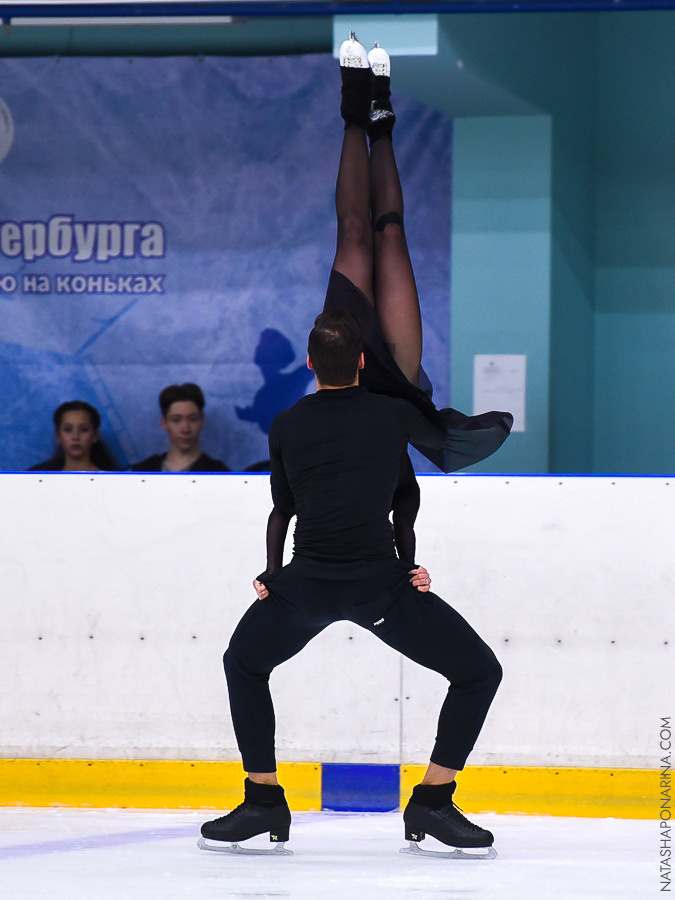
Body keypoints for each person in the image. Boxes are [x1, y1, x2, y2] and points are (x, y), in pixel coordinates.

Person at [199, 36, 505, 858]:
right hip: (395, 412)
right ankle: (373, 115)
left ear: (317, 361)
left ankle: (366, 113)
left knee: (366, 236)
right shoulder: (378, 411)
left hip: (321, 563)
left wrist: (273, 572)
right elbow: (405, 491)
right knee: (387, 235)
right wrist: (410, 548)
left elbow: (287, 507)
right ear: (354, 359)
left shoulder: (295, 420)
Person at [129, 383, 230, 473]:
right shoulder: (144, 471)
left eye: (193, 419)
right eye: (176, 420)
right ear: (164, 422)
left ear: (202, 420)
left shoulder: (218, 473)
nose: (185, 429)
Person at [28, 400, 118, 472]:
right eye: (68, 430)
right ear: (58, 435)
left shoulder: (113, 481)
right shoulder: (42, 480)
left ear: (95, 435)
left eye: (84, 430)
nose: (75, 437)